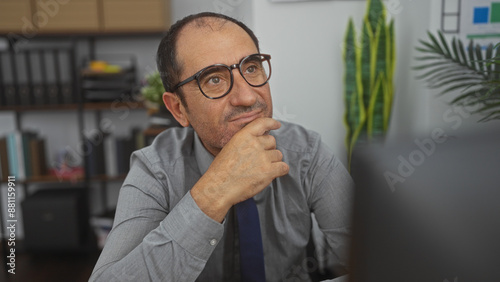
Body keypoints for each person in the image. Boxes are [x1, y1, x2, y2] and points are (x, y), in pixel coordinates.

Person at [90, 12, 354, 282]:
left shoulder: (307, 152)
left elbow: (383, 261)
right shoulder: (155, 170)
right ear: (179, 109)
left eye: (251, 68)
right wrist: (216, 190)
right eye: (214, 79)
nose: (248, 96)